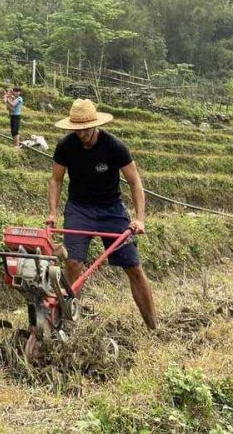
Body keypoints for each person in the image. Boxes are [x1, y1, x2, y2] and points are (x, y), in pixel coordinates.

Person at [47, 98, 157, 330]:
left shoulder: (114, 147)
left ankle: (154, 327)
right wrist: (53, 213)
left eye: (85, 128)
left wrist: (140, 218)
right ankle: (67, 325)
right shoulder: (65, 146)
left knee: (134, 268)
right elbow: (56, 180)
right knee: (73, 264)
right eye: (77, 129)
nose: (81, 133)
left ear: (95, 124)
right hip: (79, 209)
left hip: (112, 211)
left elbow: (135, 183)